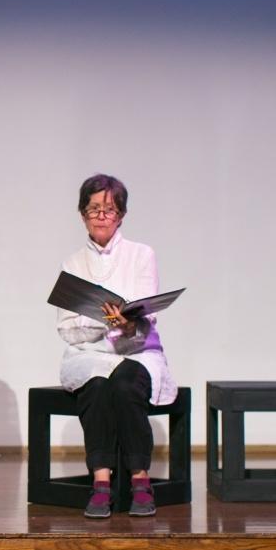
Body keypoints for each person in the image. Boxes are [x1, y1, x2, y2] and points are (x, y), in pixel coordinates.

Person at [57, 174, 177, 518]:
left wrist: (127, 323)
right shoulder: (72, 263)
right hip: (90, 354)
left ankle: (140, 478)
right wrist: (104, 322)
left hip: (136, 351)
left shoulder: (141, 255)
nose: (101, 216)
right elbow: (67, 328)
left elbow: (146, 315)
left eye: (109, 210)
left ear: (121, 215)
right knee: (95, 386)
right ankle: (101, 482)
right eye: (93, 209)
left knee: (125, 384)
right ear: (82, 215)